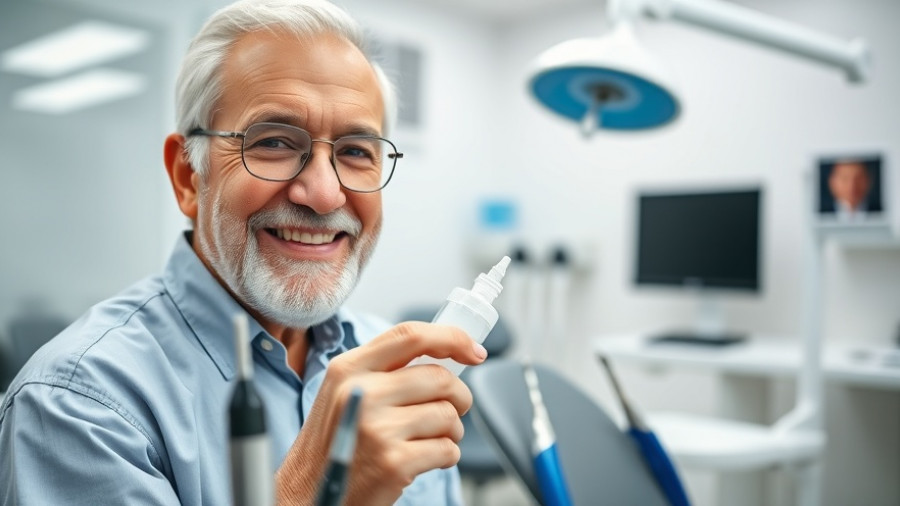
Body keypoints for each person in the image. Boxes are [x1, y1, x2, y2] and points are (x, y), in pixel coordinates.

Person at [0, 1, 487, 504]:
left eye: (356, 152)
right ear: (189, 176)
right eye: (273, 141)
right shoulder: (77, 406)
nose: (323, 194)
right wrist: (310, 493)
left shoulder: (400, 375)